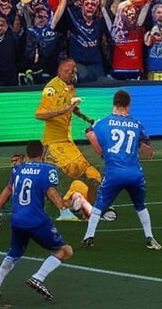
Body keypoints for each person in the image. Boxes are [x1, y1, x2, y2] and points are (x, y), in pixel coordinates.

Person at [0, 140, 74, 301]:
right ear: (42, 153)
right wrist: (64, 207)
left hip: (17, 220)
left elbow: (6, 193)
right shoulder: (48, 170)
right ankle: (38, 277)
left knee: (14, 252)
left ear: (27, 153)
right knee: (65, 250)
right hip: (36, 220)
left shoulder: (17, 170)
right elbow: (51, 192)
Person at [81, 90, 160, 250]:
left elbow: (100, 151)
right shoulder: (137, 124)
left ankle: (89, 236)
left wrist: (90, 134)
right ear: (128, 105)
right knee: (140, 205)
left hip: (114, 174)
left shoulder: (102, 124)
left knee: (98, 206)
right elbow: (147, 149)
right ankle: (150, 237)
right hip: (134, 174)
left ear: (114, 103)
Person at [33, 59, 107, 220]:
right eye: (68, 71)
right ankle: (87, 208)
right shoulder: (51, 90)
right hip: (56, 143)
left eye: (73, 71)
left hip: (65, 140)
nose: (71, 74)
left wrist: (88, 119)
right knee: (86, 172)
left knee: (47, 180)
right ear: (59, 71)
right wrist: (64, 110)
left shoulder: (70, 87)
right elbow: (39, 114)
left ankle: (72, 206)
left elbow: (72, 108)